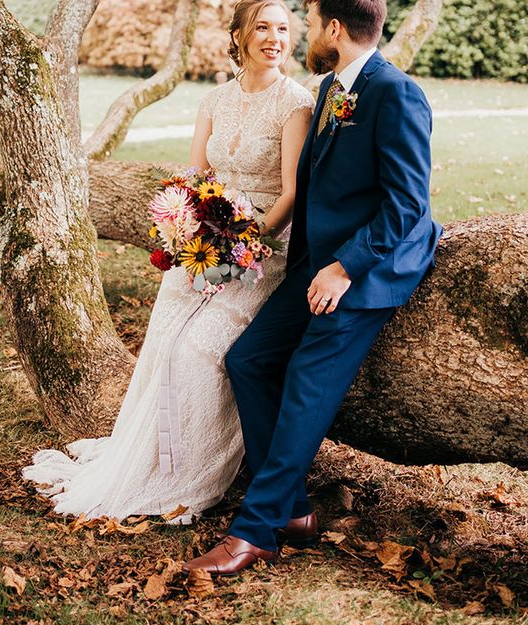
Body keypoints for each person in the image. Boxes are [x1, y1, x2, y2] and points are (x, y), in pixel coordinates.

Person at [22, 0, 315, 524]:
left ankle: (192, 473)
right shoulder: (215, 100)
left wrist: (246, 237)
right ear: (241, 36)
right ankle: (151, 458)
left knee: (201, 348)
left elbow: (293, 191)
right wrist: (186, 222)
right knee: (164, 341)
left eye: (283, 29)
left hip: (264, 247)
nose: (275, 38)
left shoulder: (296, 103)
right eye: (263, 27)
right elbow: (195, 174)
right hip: (206, 238)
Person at [184, 0, 443, 575]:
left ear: (333, 27)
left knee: (304, 378)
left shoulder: (394, 92)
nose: (299, 30)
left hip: (368, 271)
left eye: (308, 16)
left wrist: (345, 268)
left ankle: (255, 531)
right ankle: (295, 508)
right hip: (315, 260)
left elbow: (408, 205)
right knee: (248, 360)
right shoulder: (331, 88)